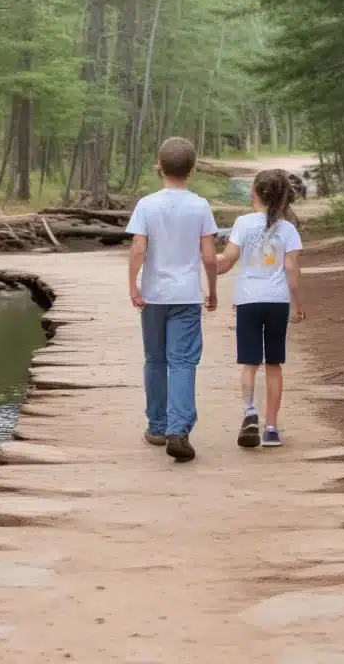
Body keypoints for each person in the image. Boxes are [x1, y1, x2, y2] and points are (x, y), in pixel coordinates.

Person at [126, 136, 219, 463]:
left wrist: (133, 287)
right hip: (186, 296)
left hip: (153, 295)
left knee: (155, 359)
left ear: (159, 167)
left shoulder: (147, 205)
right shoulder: (200, 206)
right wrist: (213, 289)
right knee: (182, 361)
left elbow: (139, 249)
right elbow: (209, 256)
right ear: (192, 170)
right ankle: (179, 429)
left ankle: (157, 427)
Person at [217, 168, 303, 448]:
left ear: (254, 193)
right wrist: (298, 302)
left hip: (248, 300)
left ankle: (250, 412)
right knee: (274, 364)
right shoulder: (288, 229)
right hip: (277, 301)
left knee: (250, 362)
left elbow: (227, 260)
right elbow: (291, 267)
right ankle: (272, 428)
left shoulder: (242, 223)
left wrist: (206, 263)